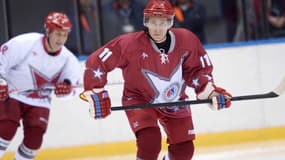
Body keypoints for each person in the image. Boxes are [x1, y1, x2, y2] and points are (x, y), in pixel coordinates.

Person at [80, 0, 232, 159]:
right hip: (139, 100)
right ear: (146, 21)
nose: (157, 28)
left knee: (184, 150)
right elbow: (96, 62)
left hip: (175, 100)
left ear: (170, 22)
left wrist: (209, 91)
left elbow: (197, 71)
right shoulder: (130, 44)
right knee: (149, 143)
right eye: (153, 22)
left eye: (162, 23)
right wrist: (96, 92)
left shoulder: (187, 40)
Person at [0, 12, 81, 160]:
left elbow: (72, 90)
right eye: (58, 34)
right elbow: (1, 60)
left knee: (34, 141)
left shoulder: (69, 60)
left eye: (64, 35)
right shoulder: (25, 43)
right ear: (48, 31)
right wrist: (1, 81)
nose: (61, 39)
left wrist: (66, 92)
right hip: (11, 94)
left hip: (39, 101)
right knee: (5, 130)